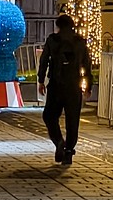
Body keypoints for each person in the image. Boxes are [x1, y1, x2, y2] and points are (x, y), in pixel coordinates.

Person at [37, 15, 92, 166]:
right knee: (72, 120)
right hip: (73, 87)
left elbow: (44, 61)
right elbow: (87, 64)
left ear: (58, 26)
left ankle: (59, 141)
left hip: (56, 85)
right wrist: (88, 85)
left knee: (49, 116)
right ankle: (69, 152)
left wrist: (41, 80)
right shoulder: (80, 42)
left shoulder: (53, 40)